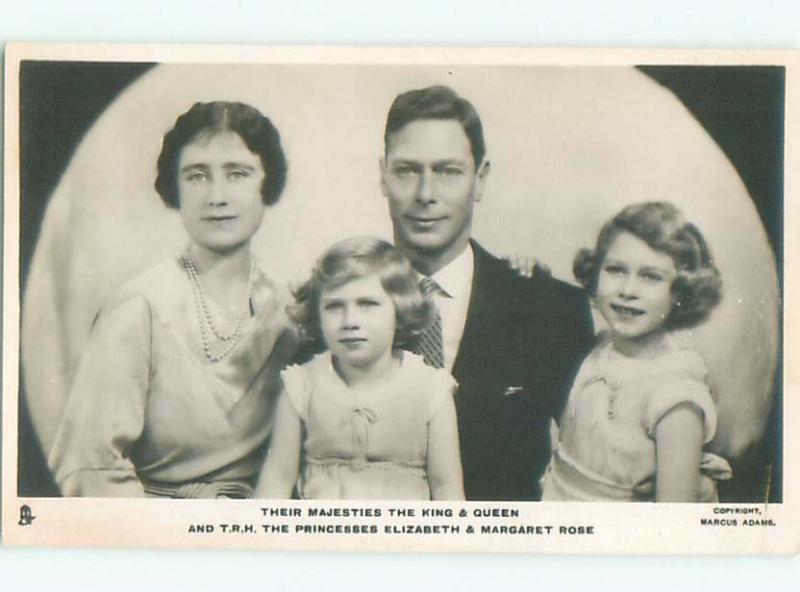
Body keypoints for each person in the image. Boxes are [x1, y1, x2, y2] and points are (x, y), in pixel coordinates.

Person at [48, 101, 298, 498]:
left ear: (266, 184)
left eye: (238, 174)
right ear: (175, 190)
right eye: (197, 175)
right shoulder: (138, 309)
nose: (217, 195)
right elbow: (86, 465)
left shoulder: (291, 312)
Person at [379, 85, 594, 500]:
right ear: (382, 176)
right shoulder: (336, 304)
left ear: (480, 179)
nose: (426, 194)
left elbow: (594, 464)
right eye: (407, 170)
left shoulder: (551, 309)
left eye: (448, 171)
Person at [541, 202, 732, 502]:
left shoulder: (677, 396)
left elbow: (672, 525)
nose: (628, 290)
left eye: (650, 277)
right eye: (615, 270)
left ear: (681, 292)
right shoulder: (598, 349)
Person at [256, 236, 464, 500]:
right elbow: (276, 481)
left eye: (367, 305)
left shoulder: (431, 390)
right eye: (334, 306)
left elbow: (448, 489)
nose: (350, 321)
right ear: (317, 315)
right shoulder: (301, 386)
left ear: (399, 309)